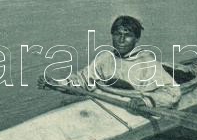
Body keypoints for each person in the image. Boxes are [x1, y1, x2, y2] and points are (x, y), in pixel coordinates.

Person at [38, 16, 181, 110]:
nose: (121, 39)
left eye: (128, 35)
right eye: (118, 34)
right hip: (102, 102)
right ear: (112, 35)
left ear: (136, 39)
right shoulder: (104, 58)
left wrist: (146, 102)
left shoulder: (148, 63)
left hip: (132, 107)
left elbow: (173, 92)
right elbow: (82, 80)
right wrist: (56, 84)